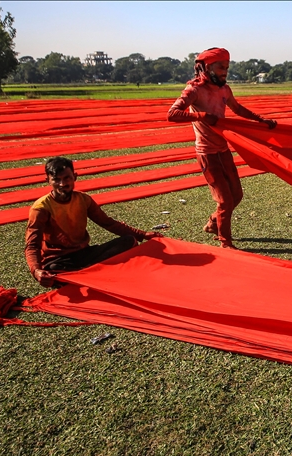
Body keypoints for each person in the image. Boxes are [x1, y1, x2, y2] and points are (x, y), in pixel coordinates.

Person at [167, 47, 276, 249]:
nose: (224, 71)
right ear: (207, 67)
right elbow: (172, 114)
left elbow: (237, 108)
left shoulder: (224, 90)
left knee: (237, 195)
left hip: (223, 149)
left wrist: (260, 120)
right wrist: (200, 116)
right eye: (220, 67)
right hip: (206, 153)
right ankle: (225, 242)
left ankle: (212, 223)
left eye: (226, 67)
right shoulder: (194, 90)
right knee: (225, 201)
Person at [24, 157, 163, 287]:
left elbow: (107, 223)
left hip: (84, 253)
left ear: (75, 177)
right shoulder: (41, 208)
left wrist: (143, 234)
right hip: (58, 260)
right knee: (53, 271)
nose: (62, 184)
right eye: (56, 180)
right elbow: (32, 245)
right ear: (47, 180)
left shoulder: (84, 200)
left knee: (129, 241)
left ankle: (85, 272)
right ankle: (92, 271)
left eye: (67, 178)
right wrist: (36, 270)